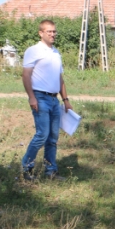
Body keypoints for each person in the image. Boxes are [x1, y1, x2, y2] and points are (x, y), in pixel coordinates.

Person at [21, 20, 73, 180]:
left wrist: (65, 99)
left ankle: (51, 171)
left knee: (53, 138)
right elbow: (26, 75)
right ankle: (26, 169)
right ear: (41, 33)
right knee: (42, 135)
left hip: (54, 99)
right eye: (49, 31)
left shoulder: (56, 52)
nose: (52, 34)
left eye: (54, 31)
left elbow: (59, 77)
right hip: (40, 97)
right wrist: (31, 97)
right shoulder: (33, 51)